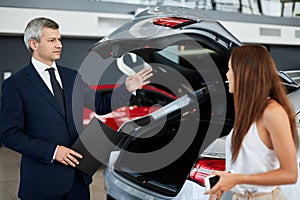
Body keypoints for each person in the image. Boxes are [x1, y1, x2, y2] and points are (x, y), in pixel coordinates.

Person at [0, 17, 152, 200]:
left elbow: (100, 105)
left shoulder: (72, 76)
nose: (59, 45)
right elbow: (9, 135)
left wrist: (126, 88)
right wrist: (53, 151)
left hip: (77, 181)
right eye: (52, 40)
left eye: (59, 39)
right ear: (34, 43)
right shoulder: (16, 84)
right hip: (42, 183)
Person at [206, 44, 298, 200]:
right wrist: (226, 180)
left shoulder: (272, 112)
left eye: (229, 69)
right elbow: (253, 164)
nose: (227, 75)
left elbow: (290, 174)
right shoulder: (249, 112)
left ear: (245, 73)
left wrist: (237, 179)